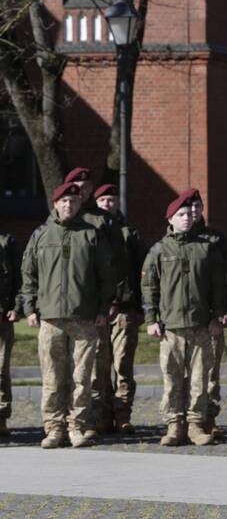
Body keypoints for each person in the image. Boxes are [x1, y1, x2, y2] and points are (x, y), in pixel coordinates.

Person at [20, 180, 115, 448]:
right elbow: (29, 275)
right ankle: (54, 428)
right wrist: (29, 308)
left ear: (79, 204)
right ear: (55, 203)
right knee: (52, 376)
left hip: (84, 317)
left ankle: (77, 426)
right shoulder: (41, 235)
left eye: (73, 201)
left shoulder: (91, 234)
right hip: (50, 317)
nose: (69, 205)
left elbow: (106, 276)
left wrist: (101, 309)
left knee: (82, 377)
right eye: (64, 201)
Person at [142, 194, 227, 446]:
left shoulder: (207, 248)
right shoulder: (159, 250)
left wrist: (217, 317)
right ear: (170, 219)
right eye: (181, 215)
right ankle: (174, 425)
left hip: (201, 324)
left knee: (200, 379)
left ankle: (195, 425)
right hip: (171, 327)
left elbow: (218, 285)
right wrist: (151, 319)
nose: (188, 218)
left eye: (190, 214)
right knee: (172, 378)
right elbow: (149, 287)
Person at [67, 168, 128, 433]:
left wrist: (112, 299)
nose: (82, 189)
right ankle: (70, 418)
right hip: (66, 304)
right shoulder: (60, 216)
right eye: (77, 184)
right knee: (67, 366)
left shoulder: (101, 220)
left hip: (95, 303)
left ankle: (97, 418)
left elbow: (116, 262)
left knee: (98, 362)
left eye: (86, 185)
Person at [91, 184, 144, 433]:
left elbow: (140, 271)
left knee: (123, 364)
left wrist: (140, 308)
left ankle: (122, 413)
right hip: (98, 310)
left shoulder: (129, 233)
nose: (108, 204)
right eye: (103, 200)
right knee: (99, 365)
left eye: (112, 200)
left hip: (124, 308)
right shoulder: (90, 232)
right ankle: (101, 415)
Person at [187, 190, 227, 439]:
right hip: (187, 319)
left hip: (212, 317)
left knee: (210, 371)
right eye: (188, 208)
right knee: (186, 373)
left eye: (197, 206)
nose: (193, 212)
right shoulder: (176, 240)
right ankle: (188, 419)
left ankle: (209, 417)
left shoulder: (216, 239)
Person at [0, 232, 20, 438]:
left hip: (3, 315)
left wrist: (15, 307)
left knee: (1, 368)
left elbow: (15, 276)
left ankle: (1, 417)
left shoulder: (7, 241)